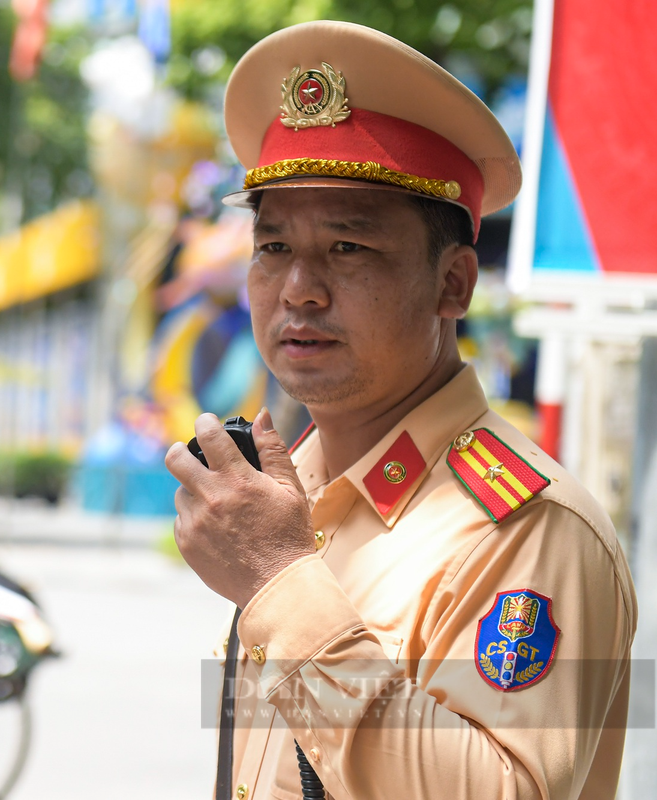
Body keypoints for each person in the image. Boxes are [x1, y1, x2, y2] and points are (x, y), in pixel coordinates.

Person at [164, 21, 635, 800]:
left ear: (454, 284)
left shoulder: (524, 527)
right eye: (273, 246)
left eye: (349, 248)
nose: (298, 289)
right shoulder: (295, 488)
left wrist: (282, 581)